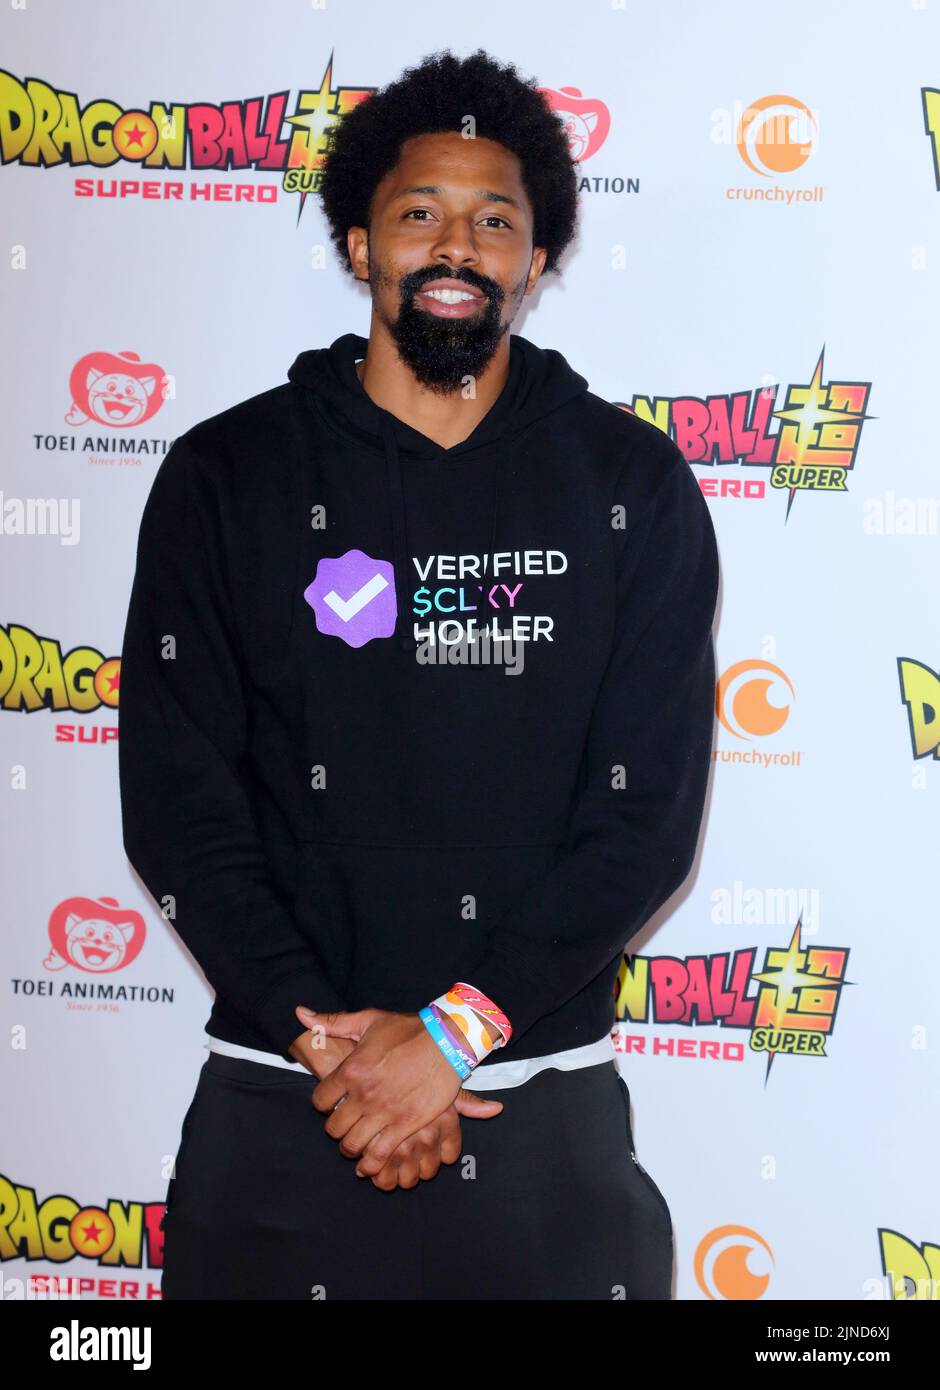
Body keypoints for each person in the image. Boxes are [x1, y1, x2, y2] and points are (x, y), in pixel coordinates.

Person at [118, 47, 719, 1301]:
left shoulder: (631, 485)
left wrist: (450, 1035)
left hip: (539, 1110)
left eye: (495, 220)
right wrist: (345, 1054)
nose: (457, 244)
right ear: (358, 244)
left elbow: (644, 816)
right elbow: (179, 802)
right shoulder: (227, 476)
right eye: (420, 214)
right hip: (286, 1104)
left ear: (536, 262)